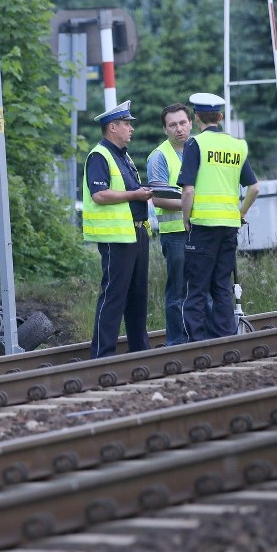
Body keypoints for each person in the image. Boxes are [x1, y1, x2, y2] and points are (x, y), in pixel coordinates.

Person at [178, 93, 259, 342]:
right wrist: (241, 212)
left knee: (197, 288)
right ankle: (224, 339)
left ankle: (197, 343)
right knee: (221, 286)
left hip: (202, 226)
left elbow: (188, 189)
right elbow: (254, 188)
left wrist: (186, 217)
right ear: (220, 117)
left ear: (196, 117)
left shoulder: (196, 144)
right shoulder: (237, 146)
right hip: (228, 227)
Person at [82, 100, 154, 359]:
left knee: (137, 297)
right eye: (126, 124)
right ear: (112, 127)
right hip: (117, 237)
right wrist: (135, 194)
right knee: (114, 296)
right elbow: (99, 194)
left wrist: (141, 192)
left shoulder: (123, 156)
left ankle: (140, 350)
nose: (131, 128)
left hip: (136, 233)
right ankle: (102, 355)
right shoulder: (100, 155)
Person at [146, 103, 192, 345]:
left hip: (202, 231)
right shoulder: (159, 156)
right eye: (172, 125)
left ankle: (201, 338)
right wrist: (191, 205)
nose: (179, 129)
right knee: (177, 292)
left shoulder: (199, 150)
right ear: (165, 129)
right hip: (175, 235)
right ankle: (177, 343)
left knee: (203, 289)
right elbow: (158, 198)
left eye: (182, 123)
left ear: (191, 123)